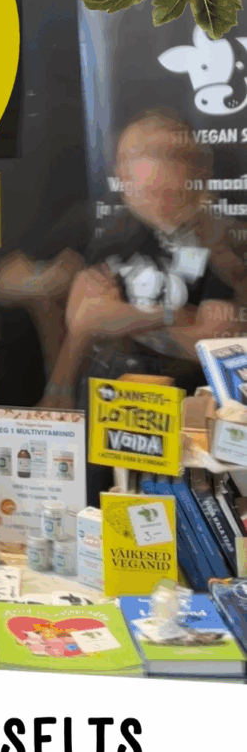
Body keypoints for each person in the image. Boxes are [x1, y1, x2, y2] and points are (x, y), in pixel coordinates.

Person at [42, 108, 243, 497]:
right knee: (105, 503)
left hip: (185, 414)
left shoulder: (222, 240)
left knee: (170, 509)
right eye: (128, 164)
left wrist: (121, 320)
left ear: (191, 172)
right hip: (111, 407)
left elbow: (213, 341)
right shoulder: (115, 236)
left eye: (157, 160)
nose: (136, 177)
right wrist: (174, 315)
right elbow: (85, 320)